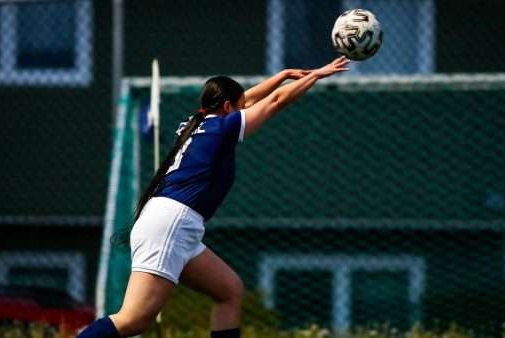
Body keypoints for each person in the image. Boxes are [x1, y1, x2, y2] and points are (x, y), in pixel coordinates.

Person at [77, 56, 350, 338]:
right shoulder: (223, 127)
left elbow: (246, 100)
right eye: (238, 106)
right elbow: (276, 102)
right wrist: (316, 75)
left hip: (171, 222)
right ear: (229, 108)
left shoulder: (191, 124)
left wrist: (282, 75)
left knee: (229, 290)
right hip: (172, 223)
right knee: (133, 320)